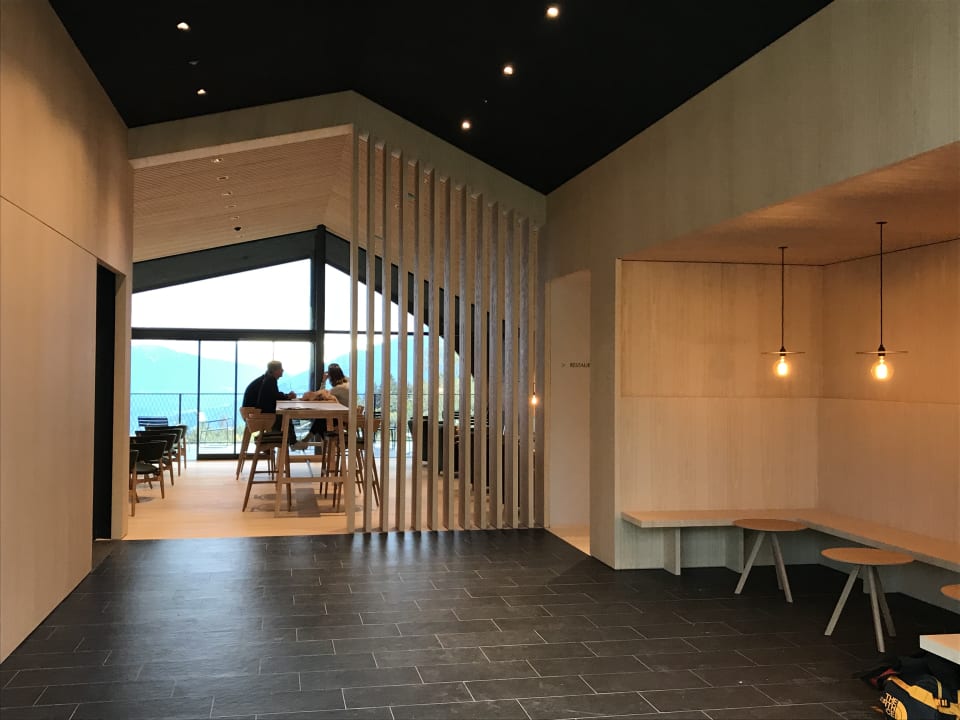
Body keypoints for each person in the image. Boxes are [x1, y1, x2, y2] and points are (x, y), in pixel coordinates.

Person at [242, 360, 296, 440]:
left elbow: (273, 395)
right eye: (280, 368)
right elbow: (275, 397)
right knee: (286, 415)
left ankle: (285, 440)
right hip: (257, 415)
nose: (283, 370)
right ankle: (288, 440)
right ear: (274, 370)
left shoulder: (265, 379)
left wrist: (286, 396)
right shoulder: (270, 380)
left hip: (251, 413)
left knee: (282, 414)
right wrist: (288, 396)